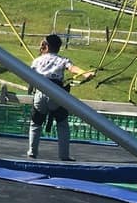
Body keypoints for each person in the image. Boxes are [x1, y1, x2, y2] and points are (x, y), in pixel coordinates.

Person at [27, 33, 95, 161]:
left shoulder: (37, 60)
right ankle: (64, 155)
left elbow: (30, 77)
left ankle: (32, 151)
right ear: (58, 48)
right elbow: (72, 68)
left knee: (35, 124)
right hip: (56, 94)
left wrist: (30, 90)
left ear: (46, 46)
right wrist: (85, 73)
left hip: (40, 93)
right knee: (62, 124)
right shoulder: (62, 60)